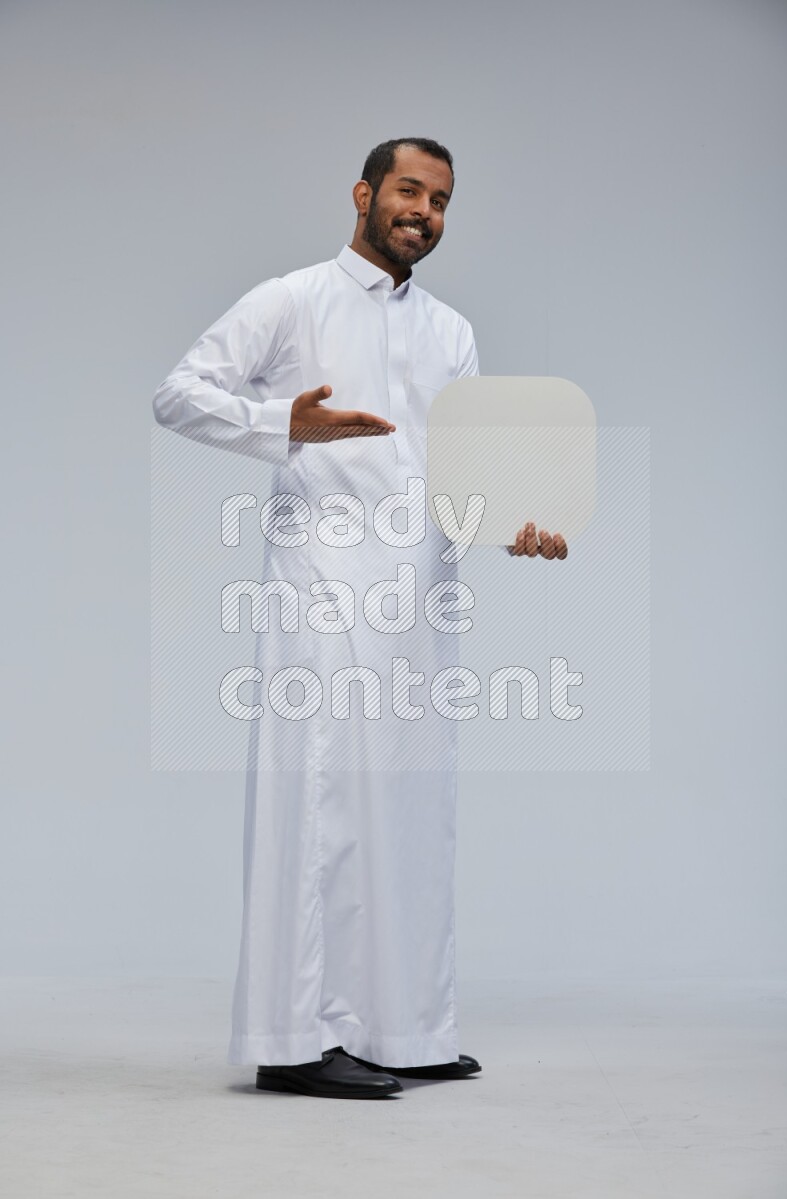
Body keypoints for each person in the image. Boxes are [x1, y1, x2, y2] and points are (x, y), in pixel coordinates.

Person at [152, 138, 568, 1100]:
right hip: (322, 589)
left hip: (420, 599)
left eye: (442, 199)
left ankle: (404, 1027)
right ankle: (296, 1038)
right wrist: (281, 427)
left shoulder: (453, 332)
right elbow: (177, 395)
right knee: (320, 802)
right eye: (409, 190)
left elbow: (455, 478)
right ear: (365, 193)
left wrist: (519, 529)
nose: (424, 210)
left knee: (412, 813)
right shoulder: (293, 300)